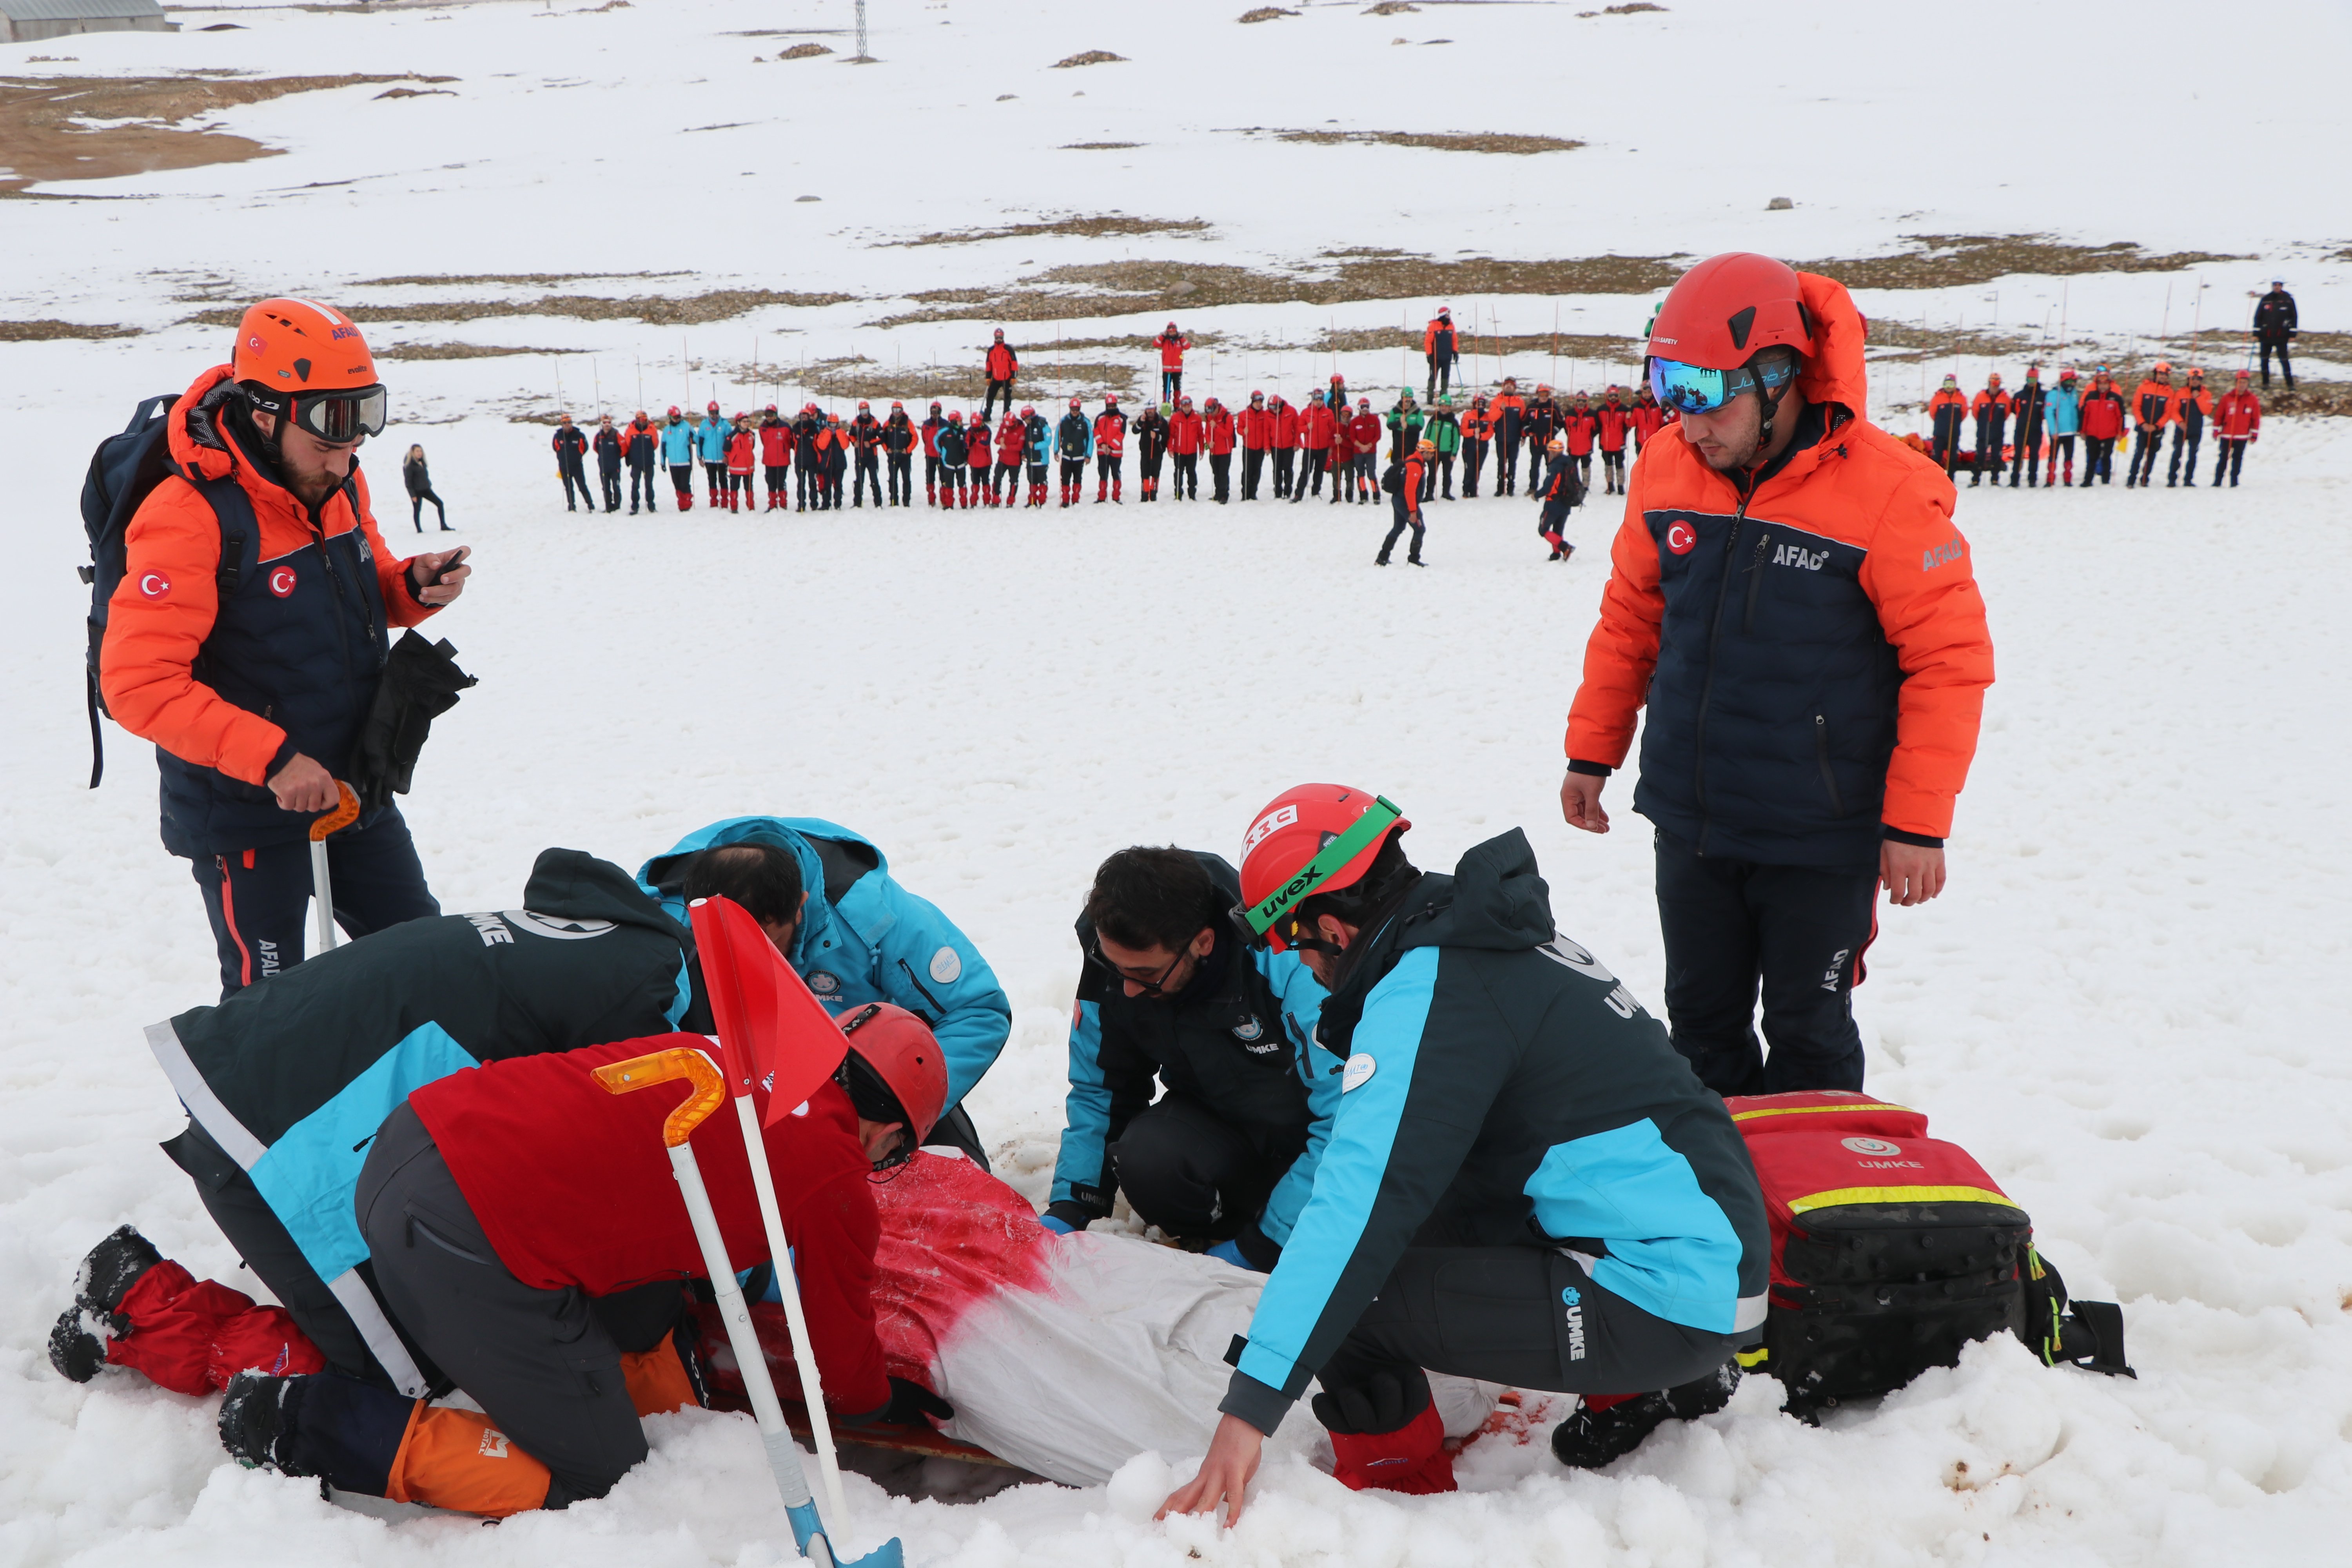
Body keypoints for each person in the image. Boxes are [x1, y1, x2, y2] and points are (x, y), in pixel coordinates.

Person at [1157, 788, 1769, 1520]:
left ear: (1332, 927)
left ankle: (1396, 1498)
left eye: (1294, 947)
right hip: (1711, 1250)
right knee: (1421, 1205)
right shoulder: (1481, 936)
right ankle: (1657, 1387)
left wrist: (1249, 1410)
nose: (1302, 969)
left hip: (1667, 1293)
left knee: (1354, 1297)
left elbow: (1357, 1208)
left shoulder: (1432, 990)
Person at [217, 1009, 951, 1516]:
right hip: (464, 1235)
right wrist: (876, 1404)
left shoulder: (724, 1048)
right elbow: (835, 1333)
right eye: (896, 1153)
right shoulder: (835, 1171)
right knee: (605, 1477)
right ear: (887, 1131)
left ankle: (579, 1386)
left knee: (646, 1304)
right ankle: (311, 1422)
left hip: (411, 1141)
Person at [1559, 254, 1993, 1096]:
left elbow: (1949, 662)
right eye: (1667, 389)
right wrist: (1592, 751)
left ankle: (1825, 1208)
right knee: (1700, 1022)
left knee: (1807, 1027)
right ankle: (1727, 1208)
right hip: (1693, 819)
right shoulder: (1666, 468)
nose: (1687, 423)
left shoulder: (1890, 492)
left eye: (1704, 392)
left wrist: (1918, 823)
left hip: (1819, 831)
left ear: (1777, 374)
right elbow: (1631, 617)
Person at [54, 849, 697, 1397]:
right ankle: (143, 1309)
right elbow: (623, 1195)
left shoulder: (620, 940)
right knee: (402, 1379)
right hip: (272, 1143)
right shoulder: (637, 1016)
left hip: (260, 1082)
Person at [99, 298, 469, 999]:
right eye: (327, 444)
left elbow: (362, 588)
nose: (344, 462)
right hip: (247, 810)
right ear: (265, 414)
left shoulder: (339, 482)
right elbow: (138, 686)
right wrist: (272, 759)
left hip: (355, 783)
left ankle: (420, 1101)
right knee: (270, 1005)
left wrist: (410, 588)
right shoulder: (189, 515)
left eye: (354, 443)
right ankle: (231, 1115)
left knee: (425, 962)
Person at [638, 818, 1012, 1154]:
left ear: (799, 908)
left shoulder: (870, 911)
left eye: (767, 942)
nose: (745, 965)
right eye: (724, 948)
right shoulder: (664, 927)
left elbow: (976, 1010)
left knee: (954, 1196)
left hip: (860, 1082)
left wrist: (884, 1107)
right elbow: (644, 1046)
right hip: (733, 1089)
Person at [1041, 846, 1333, 1267]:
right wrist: (1071, 1204)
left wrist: (1265, 1244)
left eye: (1146, 975)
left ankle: (1281, 1234)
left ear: (1204, 943)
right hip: (1219, 1130)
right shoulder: (1117, 963)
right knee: (1146, 1160)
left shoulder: (1287, 960)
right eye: (1116, 967)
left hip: (1308, 1142)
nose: (1128, 989)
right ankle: (1223, 1233)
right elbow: (1100, 1089)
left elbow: (1343, 1116)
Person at [1375, 437, 1430, 567]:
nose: (1433, 455)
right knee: (1420, 529)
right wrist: (1413, 511)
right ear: (1423, 453)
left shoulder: (1414, 460)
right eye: (1430, 453)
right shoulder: (1415, 465)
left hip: (1398, 499)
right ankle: (1414, 559)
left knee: (1398, 528)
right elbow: (1409, 491)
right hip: (1405, 502)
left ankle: (1382, 557)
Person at [2125, 362, 2178, 489]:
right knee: (2138, 453)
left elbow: (2168, 412)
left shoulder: (2169, 392)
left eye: (2166, 375)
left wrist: (2157, 426)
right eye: (2161, 374)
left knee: (2152, 455)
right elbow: (2136, 407)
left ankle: (2145, 478)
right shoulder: (2143, 388)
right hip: (2143, 427)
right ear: (2156, 374)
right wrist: (2143, 423)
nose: (2163, 377)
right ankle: (2131, 479)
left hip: (2157, 429)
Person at [1536, 434, 1581, 561]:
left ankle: (1564, 547)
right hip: (1566, 502)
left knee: (1543, 529)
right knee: (1558, 530)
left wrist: (1537, 495)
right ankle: (1556, 554)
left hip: (1553, 503)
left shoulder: (1554, 467)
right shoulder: (1570, 464)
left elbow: (1548, 487)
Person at [2212, 369, 2261, 485]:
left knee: (2238, 459)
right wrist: (2216, 430)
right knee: (2223, 458)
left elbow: (2255, 418)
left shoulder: (2252, 399)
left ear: (2248, 384)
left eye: (2244, 382)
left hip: (2242, 435)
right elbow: (2219, 415)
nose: (2242, 385)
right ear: (2236, 383)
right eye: (2240, 382)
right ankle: (2218, 481)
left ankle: (2234, 481)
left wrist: (2254, 434)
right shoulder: (2227, 398)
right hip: (2227, 434)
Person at [2079, 367, 2125, 484]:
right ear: (2097, 384)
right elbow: (2084, 415)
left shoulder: (2116, 398)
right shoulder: (2090, 397)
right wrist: (2082, 430)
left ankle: (2106, 480)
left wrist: (2120, 433)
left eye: (2106, 384)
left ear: (2110, 384)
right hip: (2092, 433)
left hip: (2109, 434)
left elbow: (2121, 417)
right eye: (2101, 384)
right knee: (2092, 457)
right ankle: (2087, 480)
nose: (2103, 386)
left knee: (2106, 457)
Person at [2167, 367, 2210, 487]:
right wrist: (2180, 422)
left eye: (2197, 379)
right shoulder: (2181, 393)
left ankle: (2188, 479)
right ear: (2188, 380)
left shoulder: (2206, 394)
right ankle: (2172, 479)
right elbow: (2174, 411)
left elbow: (2206, 411)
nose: (2195, 381)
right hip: (2181, 429)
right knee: (2177, 453)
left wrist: (2198, 398)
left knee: (2193, 455)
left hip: (2196, 430)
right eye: (2193, 379)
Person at [2252, 278, 2296, 390]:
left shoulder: (2288, 300)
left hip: (2281, 336)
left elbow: (2294, 317)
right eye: (2275, 285)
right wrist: (2256, 333)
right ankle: (2265, 383)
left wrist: (2293, 334)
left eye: (2279, 285)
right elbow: (2258, 317)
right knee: (2264, 360)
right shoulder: (2266, 299)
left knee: (2284, 360)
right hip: (2265, 336)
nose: (2277, 287)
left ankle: (2290, 384)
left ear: (2282, 286)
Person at [2006, 366, 2046, 488]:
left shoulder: (2043, 396)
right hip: (2021, 431)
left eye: (2034, 380)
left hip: (2036, 431)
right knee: (2018, 456)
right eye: (2030, 380)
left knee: (2034, 456)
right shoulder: (2019, 395)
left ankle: (2032, 480)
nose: (2031, 383)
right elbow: (2014, 410)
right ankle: (2015, 480)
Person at [1969, 372, 2010, 488]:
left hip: (1998, 432)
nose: (1995, 385)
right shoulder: (1980, 396)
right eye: (1993, 382)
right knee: (1980, 456)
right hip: (1983, 431)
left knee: (1996, 456)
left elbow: (2007, 414)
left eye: (1997, 383)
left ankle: (1995, 480)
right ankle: (1975, 480)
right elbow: (1975, 413)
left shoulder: (2005, 398)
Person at [1292, 388, 1334, 503]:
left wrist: (1331, 447)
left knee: (1319, 471)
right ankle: (1299, 494)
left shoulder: (1329, 413)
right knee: (1306, 471)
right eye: (1317, 399)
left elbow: (1332, 430)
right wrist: (1307, 428)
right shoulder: (1306, 412)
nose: (1319, 401)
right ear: (1313, 399)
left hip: (1324, 448)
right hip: (1310, 448)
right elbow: (1299, 428)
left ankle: (1316, 492)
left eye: (1321, 399)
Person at [2042, 367, 2082, 486]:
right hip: (2057, 433)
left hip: (2071, 431)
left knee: (2069, 456)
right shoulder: (2054, 394)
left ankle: (2068, 479)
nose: (2071, 385)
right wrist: (2053, 430)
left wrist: (2078, 428)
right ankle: (2050, 479)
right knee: (2053, 457)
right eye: (2069, 382)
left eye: (2073, 382)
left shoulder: (2074, 394)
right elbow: (2049, 413)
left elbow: (2076, 410)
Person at [400, 443, 449, 532]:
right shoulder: (409, 466)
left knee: (440, 504)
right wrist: (413, 495)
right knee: (417, 510)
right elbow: (408, 482)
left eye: (421, 451)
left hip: (426, 489)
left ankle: (443, 525)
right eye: (417, 451)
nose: (420, 453)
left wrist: (429, 484)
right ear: (413, 453)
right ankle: (419, 530)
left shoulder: (422, 462)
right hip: (417, 492)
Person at [1927, 374, 1969, 476]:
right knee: (1937, 457)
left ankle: (1951, 479)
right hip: (1940, 433)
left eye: (1951, 384)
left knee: (1953, 458)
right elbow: (1933, 414)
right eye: (1947, 384)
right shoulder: (1937, 398)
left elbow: (1964, 413)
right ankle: (1936, 478)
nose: (1949, 387)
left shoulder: (1961, 398)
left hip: (1954, 434)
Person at [1490, 376, 1526, 495]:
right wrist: (1501, 409)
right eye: (1507, 385)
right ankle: (1500, 487)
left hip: (1514, 438)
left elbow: (1523, 420)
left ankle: (1511, 487)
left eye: (1511, 385)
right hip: (1501, 438)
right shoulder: (1496, 401)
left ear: (1515, 388)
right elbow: (1492, 418)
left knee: (1513, 463)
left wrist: (1524, 435)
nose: (1509, 387)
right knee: (1501, 463)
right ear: (1503, 387)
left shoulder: (1520, 402)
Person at [1523, 385, 1562, 494]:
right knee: (1534, 465)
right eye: (1542, 394)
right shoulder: (1532, 407)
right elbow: (1524, 422)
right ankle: (1533, 488)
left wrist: (1553, 432)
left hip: (1549, 443)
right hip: (1535, 442)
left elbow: (1560, 422)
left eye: (1546, 394)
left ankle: (1552, 487)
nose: (1544, 397)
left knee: (1551, 466)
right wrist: (1528, 432)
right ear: (1538, 394)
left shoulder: (1553, 407)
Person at [552, 413, 595, 512]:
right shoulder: (558, 436)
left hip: (577, 466)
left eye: (569, 423)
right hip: (564, 466)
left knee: (582, 486)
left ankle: (590, 505)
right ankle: (572, 506)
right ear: (562, 424)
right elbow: (555, 448)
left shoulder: (579, 435)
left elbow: (585, 448)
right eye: (565, 423)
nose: (567, 425)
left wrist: (578, 456)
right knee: (568, 488)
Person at [1595, 386, 1632, 496]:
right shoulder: (1601, 409)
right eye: (1611, 396)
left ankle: (1621, 486)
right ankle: (1610, 486)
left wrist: (1629, 417)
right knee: (1608, 466)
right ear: (1608, 396)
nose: (1613, 398)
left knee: (1620, 465)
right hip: (1605, 443)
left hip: (1619, 443)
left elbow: (1628, 426)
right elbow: (1597, 426)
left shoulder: (1624, 409)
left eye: (1615, 395)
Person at [1056, 396, 1093, 507]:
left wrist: (1089, 455)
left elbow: (1091, 439)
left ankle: (1076, 499)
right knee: (1065, 479)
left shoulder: (1085, 422)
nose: (1075, 412)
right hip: (1067, 456)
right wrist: (1056, 451)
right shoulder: (1064, 421)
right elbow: (1058, 435)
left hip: (1079, 456)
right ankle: (1066, 500)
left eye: (1077, 410)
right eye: (1073, 409)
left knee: (1078, 478)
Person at [623, 410, 661, 514]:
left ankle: (651, 506)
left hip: (649, 462)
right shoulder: (630, 430)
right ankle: (635, 506)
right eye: (641, 419)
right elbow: (627, 444)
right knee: (635, 485)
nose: (643, 421)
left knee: (649, 485)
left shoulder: (652, 429)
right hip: (636, 463)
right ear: (636, 420)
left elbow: (655, 445)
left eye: (645, 419)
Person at [1346, 397, 1383, 503]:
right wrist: (1361, 446)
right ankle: (1363, 495)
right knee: (1360, 474)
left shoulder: (1375, 419)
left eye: (1367, 406)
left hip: (1371, 452)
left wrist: (1369, 446)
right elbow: (1353, 437)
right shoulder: (1355, 422)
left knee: (1371, 473)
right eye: (1363, 407)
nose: (1365, 409)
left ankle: (1376, 495)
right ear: (1359, 408)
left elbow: (1378, 435)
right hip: (1358, 452)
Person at [660, 405, 697, 510]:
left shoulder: (687, 426)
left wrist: (693, 436)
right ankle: (682, 504)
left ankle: (687, 503)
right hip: (673, 463)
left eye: (679, 417)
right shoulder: (667, 430)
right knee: (677, 485)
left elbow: (697, 440)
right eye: (675, 417)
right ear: (670, 418)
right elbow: (663, 447)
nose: (678, 419)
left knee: (685, 484)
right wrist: (663, 462)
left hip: (685, 461)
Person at [757, 405, 793, 512]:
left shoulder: (786, 427)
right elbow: (764, 442)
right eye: (767, 415)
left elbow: (791, 442)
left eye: (772, 415)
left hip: (783, 460)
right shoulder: (762, 428)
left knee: (781, 482)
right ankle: (772, 504)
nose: (770, 417)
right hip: (769, 460)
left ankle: (783, 504)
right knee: (770, 482)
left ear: (776, 415)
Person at [1560, 390, 1598, 490]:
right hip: (1573, 446)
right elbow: (1567, 428)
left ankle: (1586, 486)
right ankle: (1574, 484)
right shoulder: (1570, 413)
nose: (1581, 403)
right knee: (1572, 467)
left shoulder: (1592, 414)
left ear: (1587, 402)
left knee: (1586, 467)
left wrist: (1588, 437)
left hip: (1587, 446)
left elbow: (1596, 429)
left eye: (1584, 401)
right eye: (1579, 400)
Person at [1238, 390, 1272, 501]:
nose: (1259, 404)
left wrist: (1267, 446)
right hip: (1248, 447)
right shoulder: (1244, 414)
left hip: (1260, 448)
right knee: (1247, 470)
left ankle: (1253, 493)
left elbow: (1268, 430)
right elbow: (1238, 428)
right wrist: (1244, 431)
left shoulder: (1266, 414)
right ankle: (1245, 493)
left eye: (1261, 402)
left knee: (1257, 470)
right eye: (1257, 402)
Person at [1093, 392, 1128, 502]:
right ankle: (1102, 497)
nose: (1111, 408)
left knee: (1116, 473)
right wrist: (1102, 444)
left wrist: (1111, 447)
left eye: (1113, 405)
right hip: (1102, 451)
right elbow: (1096, 431)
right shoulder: (1100, 418)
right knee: (1103, 474)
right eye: (1109, 406)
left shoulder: (1122, 419)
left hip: (1116, 452)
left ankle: (1116, 496)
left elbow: (1121, 435)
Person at [848, 400, 883, 507]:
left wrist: (872, 443)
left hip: (872, 458)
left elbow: (883, 438)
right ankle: (857, 503)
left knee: (874, 480)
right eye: (862, 410)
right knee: (859, 481)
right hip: (859, 457)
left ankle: (878, 503)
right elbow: (851, 435)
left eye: (866, 410)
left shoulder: (875, 423)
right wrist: (854, 442)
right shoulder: (856, 423)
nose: (865, 412)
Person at [1167, 395, 1203, 501]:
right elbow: (1171, 435)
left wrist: (1202, 449)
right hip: (1179, 451)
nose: (1187, 409)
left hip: (1192, 452)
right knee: (1178, 472)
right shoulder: (1175, 418)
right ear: (1181, 407)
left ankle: (1192, 494)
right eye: (1185, 407)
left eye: (1189, 406)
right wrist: (1170, 448)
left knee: (1192, 472)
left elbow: (1201, 435)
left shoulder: (1197, 418)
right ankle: (1178, 494)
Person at [696, 401, 731, 508]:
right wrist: (700, 457)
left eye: (716, 412)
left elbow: (730, 441)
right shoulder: (704, 425)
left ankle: (725, 501)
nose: (714, 415)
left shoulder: (725, 424)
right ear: (709, 412)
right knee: (712, 480)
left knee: (723, 479)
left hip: (722, 458)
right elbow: (700, 441)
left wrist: (728, 456)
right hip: (709, 459)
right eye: (712, 413)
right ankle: (714, 501)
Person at [1425, 394, 1459, 501]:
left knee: (1447, 474)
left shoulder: (1453, 422)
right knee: (1432, 474)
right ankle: (1429, 494)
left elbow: (1457, 439)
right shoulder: (1434, 419)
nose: (1444, 408)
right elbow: (1427, 434)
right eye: (1442, 406)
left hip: (1447, 452)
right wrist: (1425, 449)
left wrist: (1454, 453)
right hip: (1433, 452)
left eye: (1446, 406)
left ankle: (1446, 493)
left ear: (1450, 408)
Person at [883, 399, 916, 506]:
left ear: (902, 411)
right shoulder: (888, 424)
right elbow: (882, 438)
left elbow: (915, 438)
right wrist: (886, 449)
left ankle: (906, 501)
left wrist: (908, 450)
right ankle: (894, 500)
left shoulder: (908, 423)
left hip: (905, 456)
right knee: (892, 479)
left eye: (899, 410)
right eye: (895, 410)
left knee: (906, 478)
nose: (897, 412)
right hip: (892, 456)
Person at [1459, 394, 1493, 497]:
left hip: (1482, 447)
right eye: (1478, 403)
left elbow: (1491, 432)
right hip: (1469, 447)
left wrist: (1482, 436)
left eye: (1483, 404)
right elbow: (1463, 431)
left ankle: (1474, 490)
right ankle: (1466, 490)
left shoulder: (1488, 417)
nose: (1481, 406)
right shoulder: (1468, 416)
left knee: (1478, 469)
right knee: (1469, 468)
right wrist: (1474, 432)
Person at [1135, 400, 1169, 503]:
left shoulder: (1161, 421)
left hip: (1157, 452)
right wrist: (1140, 422)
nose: (1150, 412)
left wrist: (1157, 437)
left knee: (1155, 473)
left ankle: (1153, 494)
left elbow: (1166, 436)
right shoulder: (1143, 420)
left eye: (1152, 409)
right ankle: (1144, 495)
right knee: (1145, 473)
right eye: (1148, 410)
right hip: (1145, 452)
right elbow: (1135, 430)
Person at [1204, 396, 1236, 503]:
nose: (1211, 414)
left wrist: (1217, 427)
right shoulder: (1210, 417)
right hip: (1214, 450)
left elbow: (1228, 434)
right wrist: (1209, 443)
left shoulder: (1227, 417)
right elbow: (1207, 433)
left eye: (1212, 411)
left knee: (1223, 473)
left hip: (1225, 451)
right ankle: (1218, 493)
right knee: (1216, 472)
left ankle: (1224, 494)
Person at [1022, 402, 1054, 508]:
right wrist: (1024, 453)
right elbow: (1025, 442)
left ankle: (1042, 501)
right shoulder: (1027, 428)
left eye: (1025, 419)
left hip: (1042, 460)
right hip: (1031, 460)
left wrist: (1035, 446)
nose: (1025, 422)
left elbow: (1048, 441)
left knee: (1042, 481)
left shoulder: (1043, 425)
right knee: (1032, 482)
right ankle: (1032, 501)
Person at [935, 410, 969, 508]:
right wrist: (941, 452)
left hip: (961, 464)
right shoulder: (944, 431)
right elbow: (935, 440)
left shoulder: (964, 432)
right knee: (949, 486)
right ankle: (949, 505)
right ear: (953, 421)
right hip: (948, 464)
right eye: (959, 421)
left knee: (962, 485)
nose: (961, 423)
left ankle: (964, 504)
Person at [983, 328, 1019, 423]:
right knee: (990, 396)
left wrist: (1014, 377)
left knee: (1007, 398)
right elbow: (989, 364)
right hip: (995, 378)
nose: (999, 339)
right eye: (997, 338)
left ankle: (1006, 415)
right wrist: (988, 377)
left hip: (1007, 378)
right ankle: (987, 415)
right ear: (995, 338)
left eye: (1001, 338)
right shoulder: (991, 350)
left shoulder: (1008, 349)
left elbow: (1014, 363)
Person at [793, 403, 824, 510]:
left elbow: (818, 445)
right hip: (799, 461)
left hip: (812, 461)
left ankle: (814, 504)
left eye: (806, 417)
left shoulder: (815, 429)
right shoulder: (796, 429)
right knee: (801, 483)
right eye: (802, 417)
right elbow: (792, 444)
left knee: (812, 483)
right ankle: (801, 504)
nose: (804, 419)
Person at [724, 412, 757, 512]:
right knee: (734, 488)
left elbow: (753, 447)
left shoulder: (752, 435)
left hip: (749, 467)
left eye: (748, 421)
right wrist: (734, 459)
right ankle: (734, 507)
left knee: (749, 488)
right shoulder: (732, 436)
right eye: (744, 421)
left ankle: (751, 506)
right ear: (738, 423)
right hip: (736, 468)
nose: (746, 423)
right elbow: (726, 450)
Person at [1423, 306, 1458, 400]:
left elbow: (1454, 340)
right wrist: (1429, 354)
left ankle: (1444, 397)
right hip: (1435, 358)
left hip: (1447, 357)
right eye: (1447, 315)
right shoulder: (1433, 326)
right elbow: (1428, 342)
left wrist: (1455, 351)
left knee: (1446, 377)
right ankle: (1430, 397)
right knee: (1433, 377)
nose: (1449, 317)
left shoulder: (1451, 326)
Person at [592, 414, 624, 513]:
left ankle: (617, 507)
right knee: (606, 488)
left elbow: (624, 447)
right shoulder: (599, 436)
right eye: (605, 423)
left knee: (616, 487)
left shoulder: (616, 434)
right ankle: (609, 506)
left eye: (609, 423)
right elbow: (595, 448)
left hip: (615, 467)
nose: (607, 425)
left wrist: (618, 457)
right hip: (604, 467)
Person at [1269, 392, 1298, 499]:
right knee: (1277, 469)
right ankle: (1277, 491)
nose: (1274, 411)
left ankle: (1288, 491)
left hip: (1289, 445)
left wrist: (1297, 442)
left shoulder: (1291, 411)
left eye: (1275, 408)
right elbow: (1267, 431)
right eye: (1271, 408)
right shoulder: (1269, 414)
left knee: (1288, 468)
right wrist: (1267, 447)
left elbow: (1297, 428)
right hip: (1275, 446)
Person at [994, 408, 1025, 506]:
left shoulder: (1022, 429)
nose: (1009, 428)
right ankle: (995, 499)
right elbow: (997, 439)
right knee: (997, 478)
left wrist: (1007, 447)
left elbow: (1019, 446)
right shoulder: (1003, 426)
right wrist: (1001, 442)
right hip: (1003, 459)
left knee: (1014, 481)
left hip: (1015, 461)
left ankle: (1011, 501)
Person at [1629, 382, 1668, 457]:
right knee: (1642, 464)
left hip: (1657, 441)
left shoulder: (1659, 405)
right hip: (1641, 441)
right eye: (1645, 393)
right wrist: (1628, 417)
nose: (1647, 395)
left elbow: (1664, 423)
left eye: (1649, 392)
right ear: (1642, 393)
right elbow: (1631, 424)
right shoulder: (1636, 406)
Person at [1384, 390, 1423, 465]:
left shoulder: (1418, 411)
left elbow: (1420, 426)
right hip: (1398, 446)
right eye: (1406, 398)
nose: (1408, 400)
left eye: (1410, 398)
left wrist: (1408, 427)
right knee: (1397, 467)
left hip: (1412, 445)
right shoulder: (1395, 411)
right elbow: (1389, 425)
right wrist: (1400, 423)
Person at [1154, 321, 1191, 402]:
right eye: (1170, 331)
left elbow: (1187, 346)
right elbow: (1155, 344)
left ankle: (1177, 405)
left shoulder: (1180, 340)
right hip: (1167, 369)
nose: (1172, 333)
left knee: (1177, 388)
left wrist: (1182, 338)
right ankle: (1166, 403)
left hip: (1178, 369)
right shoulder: (1164, 340)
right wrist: (1162, 336)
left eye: (1174, 331)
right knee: (1166, 388)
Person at [920, 400, 947, 506]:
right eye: (933, 412)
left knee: (944, 477)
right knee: (930, 477)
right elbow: (924, 438)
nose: (934, 415)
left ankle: (944, 498)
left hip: (942, 456)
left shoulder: (945, 424)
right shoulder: (926, 425)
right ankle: (931, 498)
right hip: (930, 455)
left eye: (936, 412)